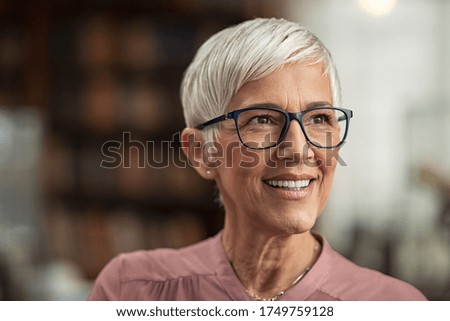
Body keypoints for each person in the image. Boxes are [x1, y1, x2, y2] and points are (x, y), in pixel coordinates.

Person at [88, 18, 426, 301]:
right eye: (262, 119)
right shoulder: (130, 291)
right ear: (202, 153)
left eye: (319, 118)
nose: (297, 148)